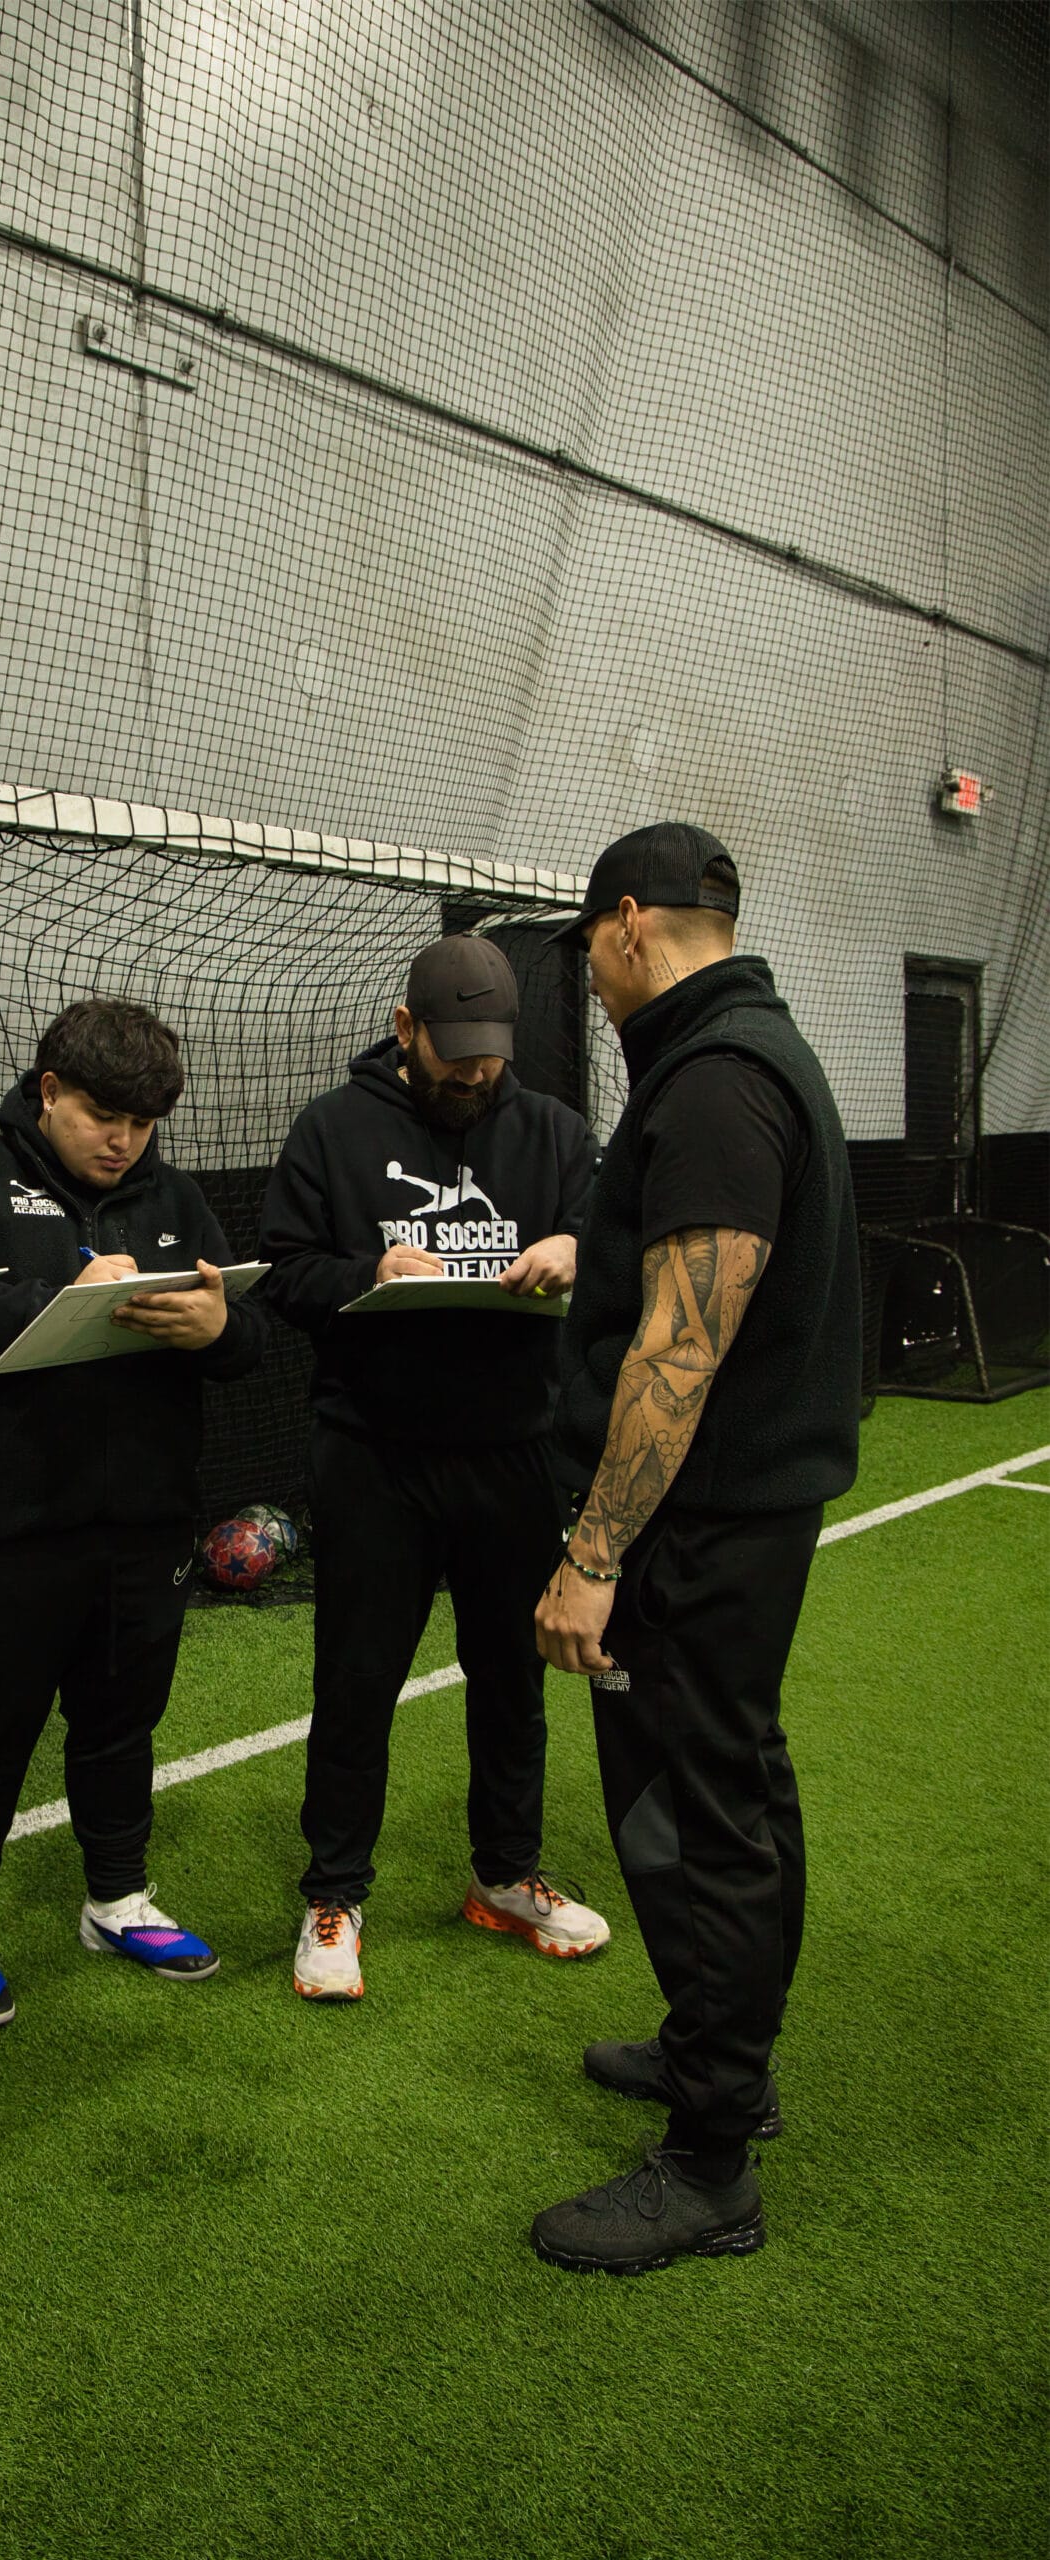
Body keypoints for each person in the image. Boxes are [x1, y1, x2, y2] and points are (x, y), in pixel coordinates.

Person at [529, 822, 860, 2277]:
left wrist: (592, 1554)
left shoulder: (715, 1077)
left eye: (587, 953)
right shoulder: (738, 1049)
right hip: (734, 1516)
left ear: (624, 926)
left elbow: (680, 1346)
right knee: (729, 1786)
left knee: (694, 1813)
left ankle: (711, 2163)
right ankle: (714, 2054)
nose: (588, 982)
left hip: (691, 1533)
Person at [257, 935, 610, 2002]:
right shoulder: (333, 1127)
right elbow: (284, 1270)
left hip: (512, 1454)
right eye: (453, 1057)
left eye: (489, 1060)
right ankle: (335, 1894)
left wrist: (578, 1250)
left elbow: (619, 1235)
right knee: (358, 1680)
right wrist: (369, 1269)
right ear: (405, 1028)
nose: (473, 1077)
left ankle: (504, 1874)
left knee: (513, 1681)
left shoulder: (552, 1130)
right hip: (376, 1456)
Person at [0, 997, 266, 2026]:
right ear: (49, 1089)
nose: (123, 1140)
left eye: (144, 1121)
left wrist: (215, 1324)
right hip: (3, 1531)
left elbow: (249, 1342)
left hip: (145, 1527)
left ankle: (116, 1897)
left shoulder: (174, 1195)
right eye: (105, 1114)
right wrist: (69, 1286)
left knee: (120, 1727)